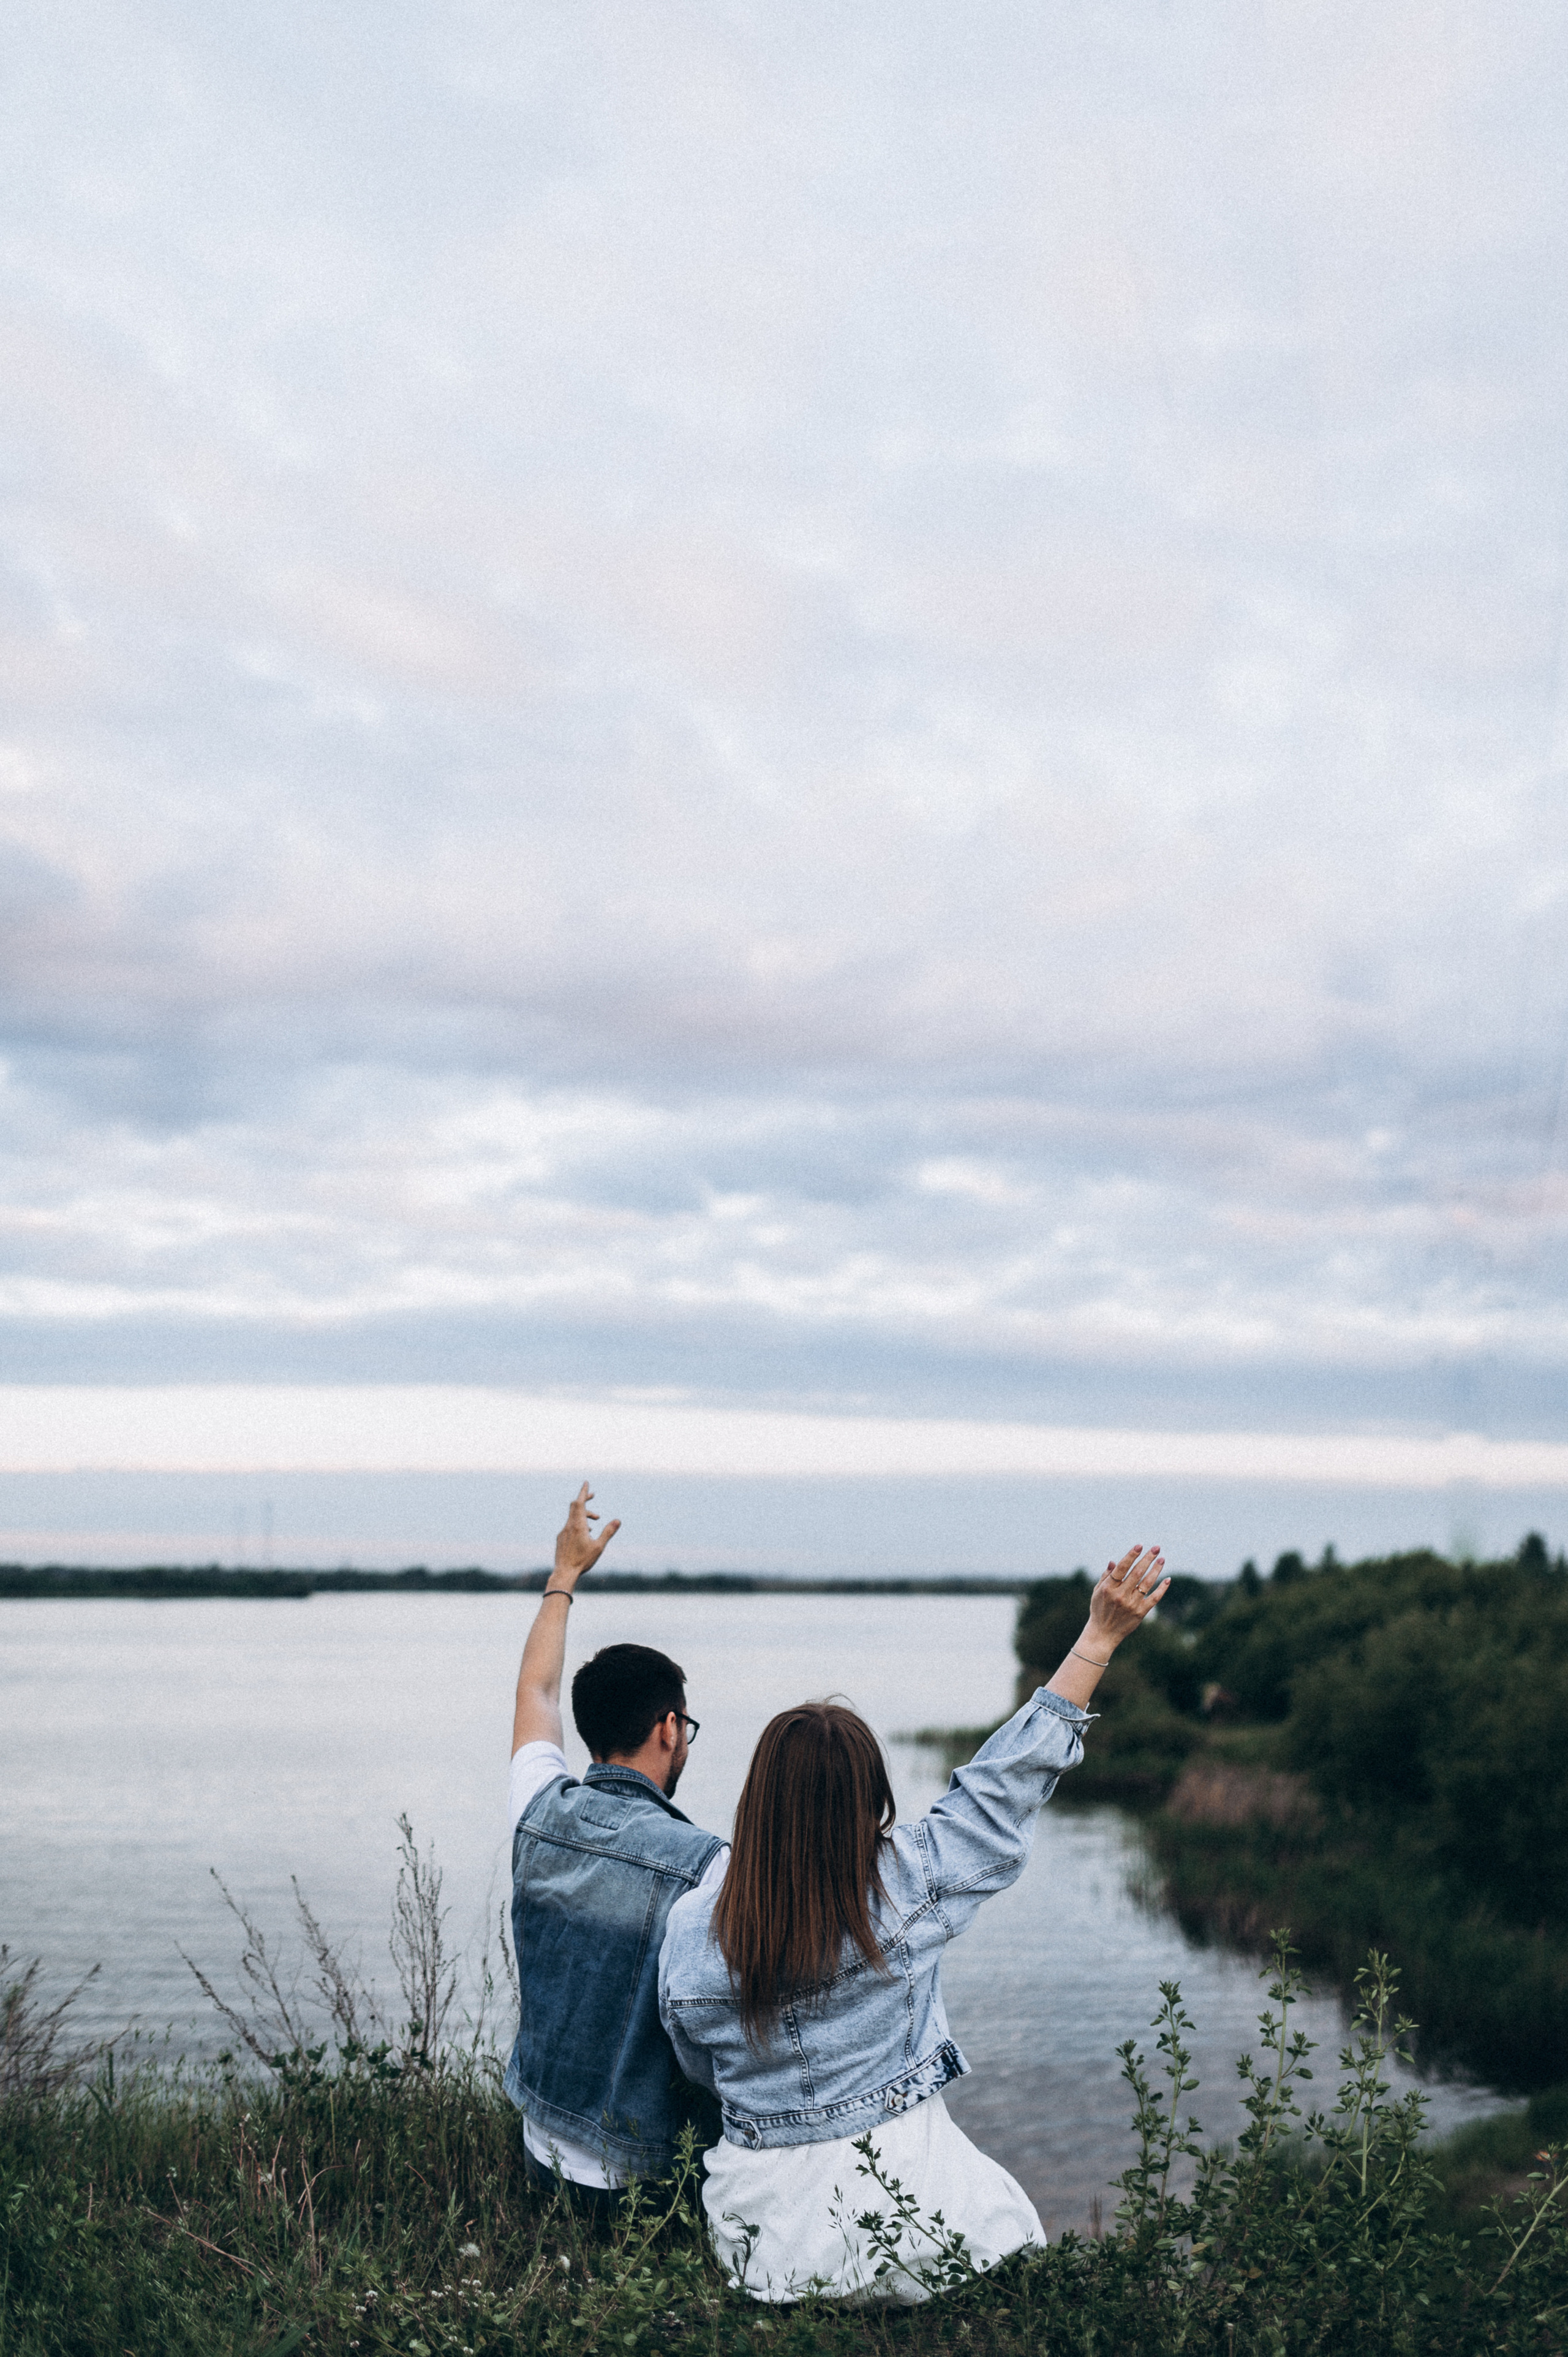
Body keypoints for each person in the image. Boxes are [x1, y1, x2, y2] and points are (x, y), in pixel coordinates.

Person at [658, 1540, 1170, 2302]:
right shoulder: (905, 1885)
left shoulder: (694, 1926)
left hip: (762, 2242)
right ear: (873, 1805)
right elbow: (1001, 1790)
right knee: (1008, 2228)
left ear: (757, 1799)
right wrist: (1096, 1638)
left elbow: (694, 2064)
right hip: (910, 2219)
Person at [505, 1484, 729, 2202]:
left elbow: (535, 1694)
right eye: (685, 1727)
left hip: (538, 2154)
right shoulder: (707, 1866)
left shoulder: (538, 1808)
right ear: (668, 1727)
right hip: (638, 2184)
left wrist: (563, 1576)